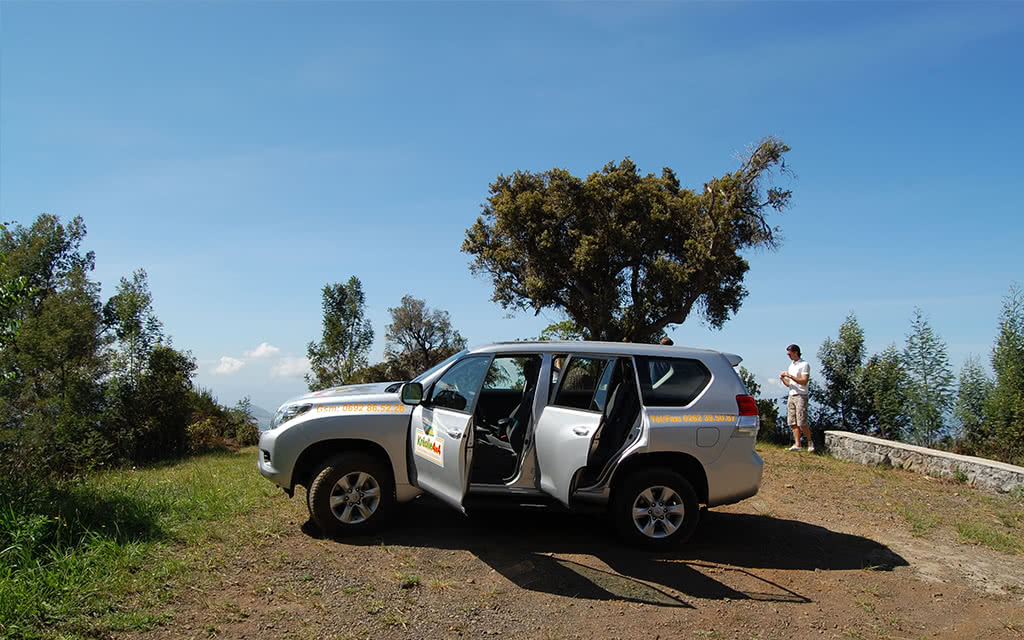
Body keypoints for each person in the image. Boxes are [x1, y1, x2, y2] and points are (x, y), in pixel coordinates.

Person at [780, 344, 813, 452]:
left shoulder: (804, 364)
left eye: (789, 354)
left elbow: (804, 381)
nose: (788, 356)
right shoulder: (791, 365)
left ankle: (809, 442)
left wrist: (790, 376)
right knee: (792, 421)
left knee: (802, 422)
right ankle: (797, 444)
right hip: (792, 394)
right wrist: (783, 378)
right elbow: (790, 384)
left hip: (801, 395)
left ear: (795, 352)